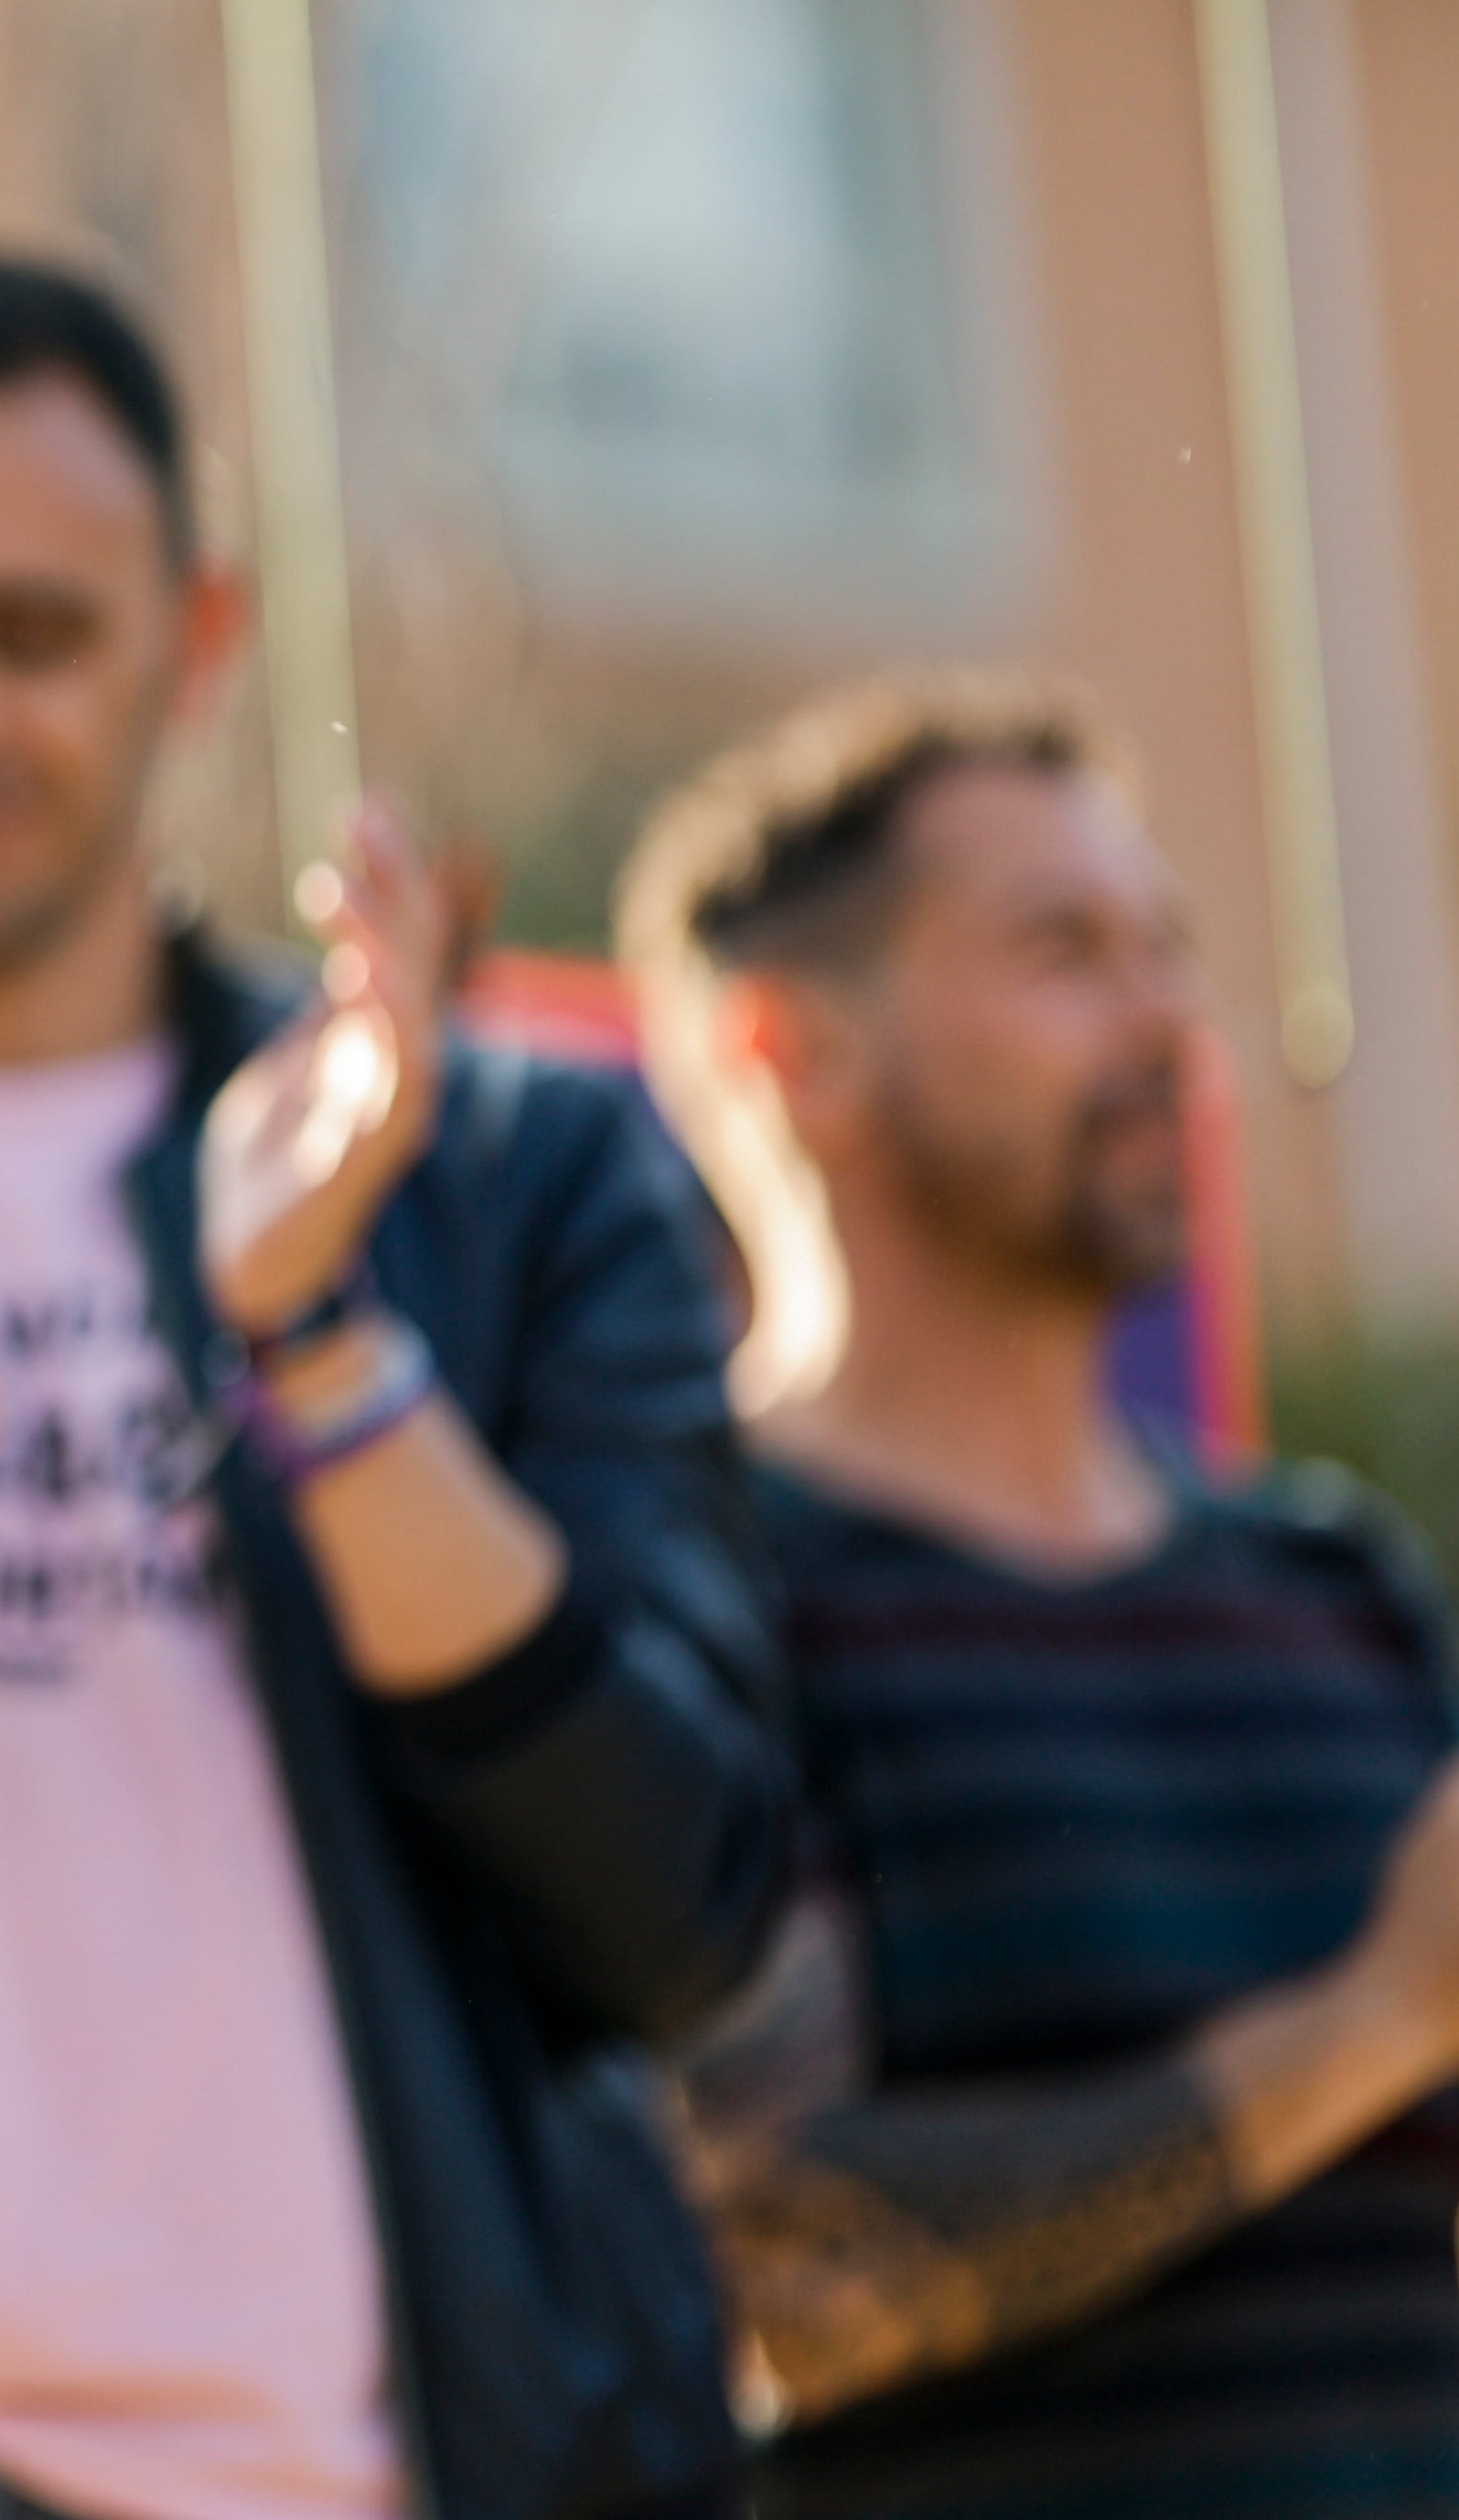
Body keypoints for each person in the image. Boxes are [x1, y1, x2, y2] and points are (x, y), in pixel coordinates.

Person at [0, 239, 792, 2520]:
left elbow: (677, 1915)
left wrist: (316, 1338)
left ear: (193, 642)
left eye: (28, 629)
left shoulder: (508, 1170)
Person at [620, 677, 1459, 2515]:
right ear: (790, 1053)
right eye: (1063, 947)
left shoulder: (1337, 1586)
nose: (1171, 1017)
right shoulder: (692, 1595)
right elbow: (770, 2281)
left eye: (1171, 946)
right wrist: (1371, 2021)